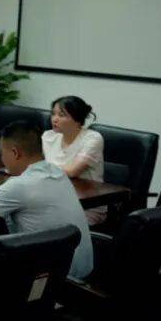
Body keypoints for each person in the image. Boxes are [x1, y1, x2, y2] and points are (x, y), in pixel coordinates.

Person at [0, 121, 93, 279]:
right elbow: (27, 198)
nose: (2, 159)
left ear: (15, 153)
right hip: (79, 272)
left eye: (2, 153)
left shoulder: (19, 185)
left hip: (46, 277)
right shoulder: (56, 172)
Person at [44, 95, 106, 225]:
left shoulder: (92, 138)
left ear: (77, 119)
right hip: (53, 200)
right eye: (53, 114)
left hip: (85, 206)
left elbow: (72, 171)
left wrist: (43, 168)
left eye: (61, 115)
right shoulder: (48, 137)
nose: (54, 119)